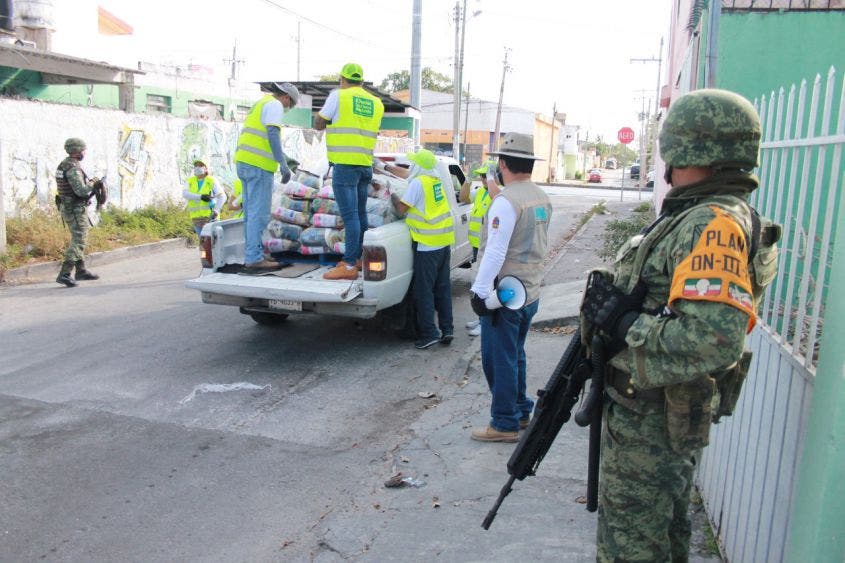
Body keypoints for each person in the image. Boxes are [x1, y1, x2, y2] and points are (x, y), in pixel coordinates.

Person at [580, 89, 780, 562]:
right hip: (647, 415)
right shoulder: (697, 216)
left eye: (673, 151)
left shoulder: (712, 224)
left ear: (697, 152)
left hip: (651, 422)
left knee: (633, 551)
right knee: (659, 544)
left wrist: (626, 322)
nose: (667, 166)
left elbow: (712, 340)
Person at [469, 133, 552, 442]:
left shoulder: (506, 201)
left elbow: (494, 251)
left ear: (502, 164)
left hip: (504, 293)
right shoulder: (540, 197)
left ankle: (503, 423)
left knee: (498, 358)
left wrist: (479, 292)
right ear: (530, 164)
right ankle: (520, 411)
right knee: (515, 354)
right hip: (530, 292)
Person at [314, 63, 385, 280]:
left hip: (345, 165)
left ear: (342, 79)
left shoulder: (339, 96)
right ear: (362, 81)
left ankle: (348, 264)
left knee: (350, 216)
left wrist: (322, 117)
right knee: (360, 214)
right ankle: (359, 259)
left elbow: (319, 123)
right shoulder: (376, 103)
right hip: (364, 165)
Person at [389, 149, 455, 349]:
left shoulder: (418, 183)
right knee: (442, 288)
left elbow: (401, 209)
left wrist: (392, 197)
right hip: (443, 242)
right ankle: (447, 329)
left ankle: (429, 333)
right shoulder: (436, 182)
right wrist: (384, 167)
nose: (411, 167)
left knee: (423, 291)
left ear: (419, 166)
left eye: (413, 164)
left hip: (427, 246)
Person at [235, 81, 300, 272]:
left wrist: (284, 158)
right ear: (287, 97)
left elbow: (261, 138)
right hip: (259, 166)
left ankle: (253, 253)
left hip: (244, 162)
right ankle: (254, 258)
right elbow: (272, 134)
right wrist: (282, 164)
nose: (287, 108)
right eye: (290, 105)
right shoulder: (275, 105)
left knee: (250, 213)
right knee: (259, 213)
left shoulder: (261, 103)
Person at [460, 160, 500, 337]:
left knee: (487, 286)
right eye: (481, 176)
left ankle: (486, 323)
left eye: (486, 176)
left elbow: (495, 197)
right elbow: (463, 198)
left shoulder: (498, 194)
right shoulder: (480, 193)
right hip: (477, 247)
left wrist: (491, 180)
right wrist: (468, 180)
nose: (483, 179)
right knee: (479, 286)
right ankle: (481, 318)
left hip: (488, 249)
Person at [55, 137, 100, 287]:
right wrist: (92, 184)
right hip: (74, 209)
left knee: (78, 237)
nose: (84, 152)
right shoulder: (72, 168)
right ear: (76, 151)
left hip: (69, 207)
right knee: (79, 240)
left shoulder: (64, 165)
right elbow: (80, 191)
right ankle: (64, 274)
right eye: (82, 150)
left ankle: (80, 271)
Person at [182, 158, 226, 236]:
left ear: (206, 168)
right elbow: (185, 194)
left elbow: (222, 197)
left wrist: (216, 211)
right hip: (196, 219)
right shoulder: (190, 181)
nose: (197, 167)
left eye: (200, 165)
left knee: (213, 244)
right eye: (196, 166)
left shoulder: (211, 180)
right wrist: (201, 197)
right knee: (203, 245)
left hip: (210, 218)